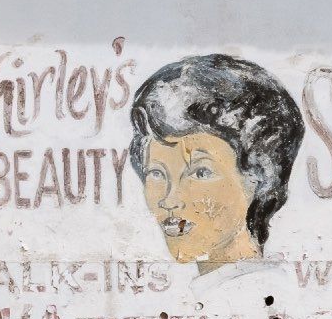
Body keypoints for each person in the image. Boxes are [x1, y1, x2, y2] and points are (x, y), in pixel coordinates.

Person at [129, 54, 304, 275]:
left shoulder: (255, 297)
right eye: (156, 173)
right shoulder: (206, 297)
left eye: (200, 173)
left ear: (259, 180)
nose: (169, 200)